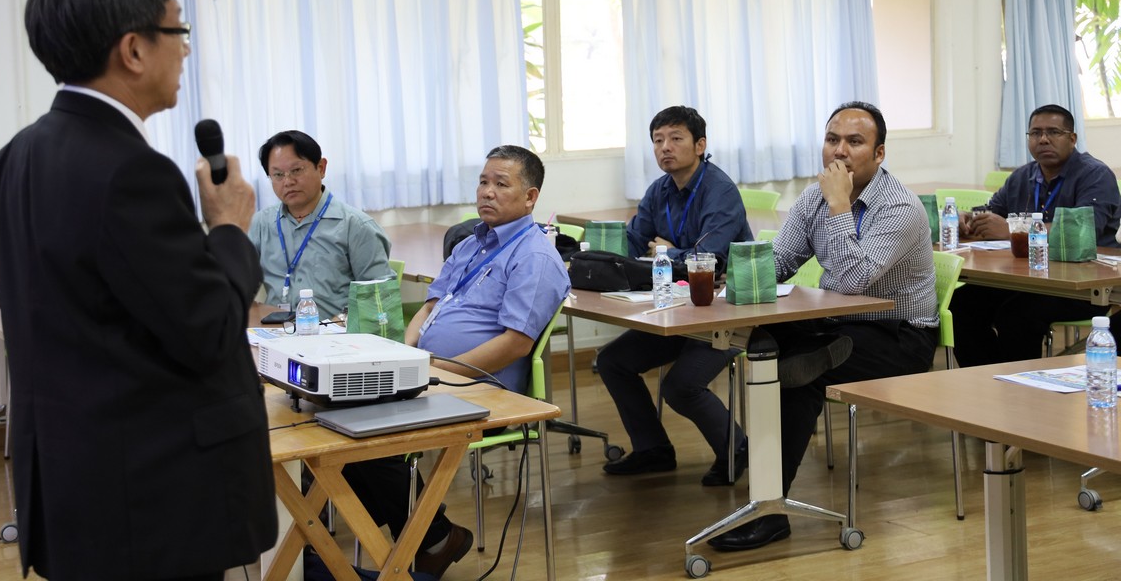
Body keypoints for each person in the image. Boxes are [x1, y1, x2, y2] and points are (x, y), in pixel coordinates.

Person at [0, 0, 276, 581]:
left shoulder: (12, 160)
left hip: (70, 483)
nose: (186, 50)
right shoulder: (130, 172)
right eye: (178, 29)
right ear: (134, 49)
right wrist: (228, 228)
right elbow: (210, 332)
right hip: (149, 497)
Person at [708, 101, 938, 552]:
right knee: (768, 345)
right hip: (837, 327)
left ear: (879, 153)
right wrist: (731, 278)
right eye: (832, 139)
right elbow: (780, 260)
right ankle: (756, 474)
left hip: (899, 336)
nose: (840, 151)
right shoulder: (814, 197)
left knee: (799, 371)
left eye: (855, 142)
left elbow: (851, 282)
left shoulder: (899, 207)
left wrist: (838, 205)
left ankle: (770, 509)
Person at [336, 145, 571, 579]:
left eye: (501, 184)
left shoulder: (535, 257)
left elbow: (515, 344)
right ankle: (423, 536)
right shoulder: (469, 244)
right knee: (337, 413)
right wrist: (405, 356)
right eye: (483, 181)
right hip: (430, 376)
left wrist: (436, 371)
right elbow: (427, 309)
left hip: (482, 390)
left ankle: (417, 537)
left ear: (530, 197)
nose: (487, 192)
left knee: (364, 436)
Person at [598, 105, 754, 486]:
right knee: (613, 361)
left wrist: (667, 252)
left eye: (675, 138)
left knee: (680, 385)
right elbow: (635, 245)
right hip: (679, 311)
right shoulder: (659, 191)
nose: (664, 147)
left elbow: (710, 258)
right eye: (657, 140)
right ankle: (653, 449)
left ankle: (736, 449)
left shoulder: (720, 191)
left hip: (726, 314)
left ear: (700, 145)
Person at [953, 104, 1121, 366]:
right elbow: (993, 212)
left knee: (1017, 315)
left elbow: (1082, 232)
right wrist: (968, 218)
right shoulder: (1022, 176)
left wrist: (1011, 230)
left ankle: (1017, 385)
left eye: (1053, 132)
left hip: (1081, 286)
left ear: (1072, 138)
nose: (1043, 139)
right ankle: (988, 375)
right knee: (962, 304)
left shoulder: (1095, 175)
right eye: (1035, 133)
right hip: (1027, 280)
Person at [248, 129, 393, 318]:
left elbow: (380, 299)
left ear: (321, 168)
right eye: (278, 175)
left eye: (296, 170)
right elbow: (237, 285)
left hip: (335, 332)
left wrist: (339, 323)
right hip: (274, 330)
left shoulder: (356, 226)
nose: (288, 181)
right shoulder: (261, 224)